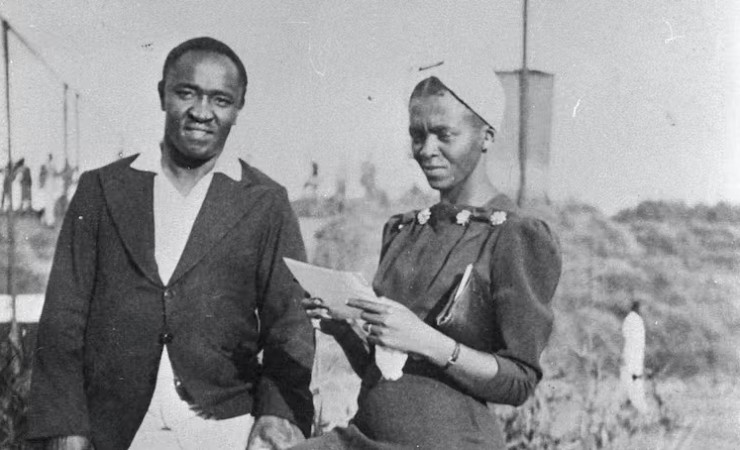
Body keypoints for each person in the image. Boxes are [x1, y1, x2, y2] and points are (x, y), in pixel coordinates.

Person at [27, 37, 314, 450]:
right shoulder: (103, 188)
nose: (202, 112)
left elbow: (290, 324)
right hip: (116, 429)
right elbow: (63, 318)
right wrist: (66, 424)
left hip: (225, 425)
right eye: (186, 93)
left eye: (220, 100)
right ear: (162, 94)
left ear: (238, 108)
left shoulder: (265, 200)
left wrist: (277, 412)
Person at [296, 58, 562, 449]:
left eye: (443, 134)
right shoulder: (404, 230)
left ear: (485, 137)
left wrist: (426, 340)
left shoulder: (514, 235)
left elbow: (519, 382)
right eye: (417, 135)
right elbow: (387, 369)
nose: (426, 150)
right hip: (364, 436)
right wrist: (343, 328)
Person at [619, 300, 649, 413]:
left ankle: (631, 405)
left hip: (634, 356)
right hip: (631, 357)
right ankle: (636, 406)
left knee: (632, 379)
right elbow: (627, 339)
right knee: (633, 380)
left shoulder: (633, 319)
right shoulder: (633, 319)